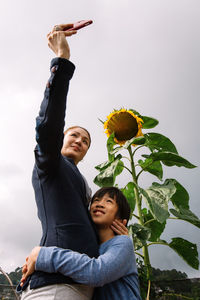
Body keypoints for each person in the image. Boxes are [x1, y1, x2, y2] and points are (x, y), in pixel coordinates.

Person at [17, 23, 100, 300]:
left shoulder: (81, 183)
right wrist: (61, 61)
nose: (80, 141)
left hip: (83, 281)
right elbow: (48, 126)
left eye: (86, 140)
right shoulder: (49, 163)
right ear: (61, 139)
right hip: (54, 286)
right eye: (74, 135)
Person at [21, 187, 142, 300]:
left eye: (109, 201)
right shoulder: (92, 247)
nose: (99, 204)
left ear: (121, 221)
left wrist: (44, 255)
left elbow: (97, 273)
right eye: (96, 200)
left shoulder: (123, 242)